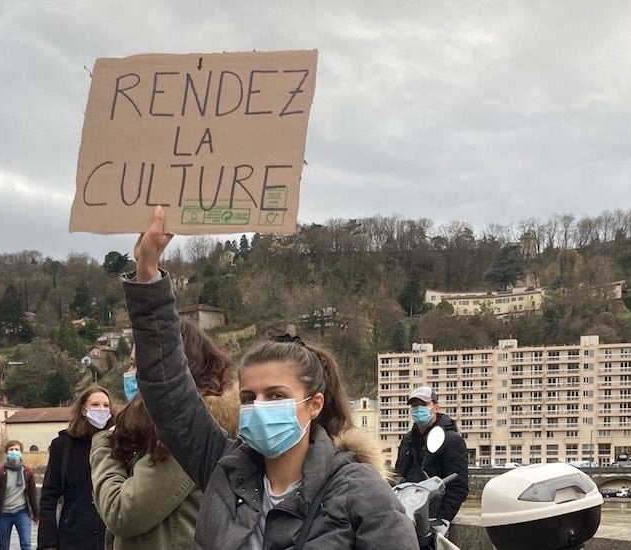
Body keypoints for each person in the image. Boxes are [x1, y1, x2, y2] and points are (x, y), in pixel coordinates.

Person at [122, 207, 419, 549]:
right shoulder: (225, 469)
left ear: (314, 405)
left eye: (276, 396)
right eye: (248, 398)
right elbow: (168, 390)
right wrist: (147, 275)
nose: (258, 407)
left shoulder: (360, 490)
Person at [89, 321, 240, 550]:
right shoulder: (159, 425)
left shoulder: (189, 431)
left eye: (138, 365)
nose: (131, 374)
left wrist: (103, 446)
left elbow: (122, 512)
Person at [37, 386, 114, 550]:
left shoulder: (118, 443)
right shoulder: (63, 445)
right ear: (84, 410)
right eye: (95, 405)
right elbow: (49, 496)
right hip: (74, 537)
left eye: (106, 405)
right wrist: (48, 542)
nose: (102, 409)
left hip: (112, 537)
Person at [395, 386, 469, 533]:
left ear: (435, 407)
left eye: (423, 405)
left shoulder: (451, 440)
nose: (418, 409)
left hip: (432, 517)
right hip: (407, 516)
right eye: (414, 406)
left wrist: (443, 518)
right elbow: (399, 475)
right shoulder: (407, 440)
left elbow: (458, 485)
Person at [0, 440, 39, 550]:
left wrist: (36, 515)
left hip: (22, 512)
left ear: (21, 452)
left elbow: (32, 494)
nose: (14, 452)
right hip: (3, 514)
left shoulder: (27, 472)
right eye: (11, 450)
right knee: (4, 546)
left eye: (17, 449)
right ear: (7, 453)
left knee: (26, 544)